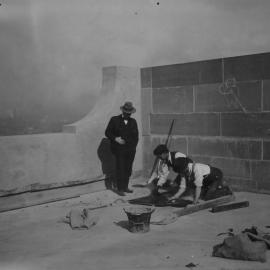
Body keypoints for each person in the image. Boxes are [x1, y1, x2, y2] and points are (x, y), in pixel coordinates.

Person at [105, 101, 139, 196]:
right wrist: (116, 139)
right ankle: (120, 188)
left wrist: (133, 147)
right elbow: (107, 132)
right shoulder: (114, 120)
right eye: (127, 113)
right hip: (119, 150)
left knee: (128, 168)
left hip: (130, 150)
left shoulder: (133, 122)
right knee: (120, 168)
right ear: (123, 111)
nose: (128, 114)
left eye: (130, 113)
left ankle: (125, 187)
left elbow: (136, 136)